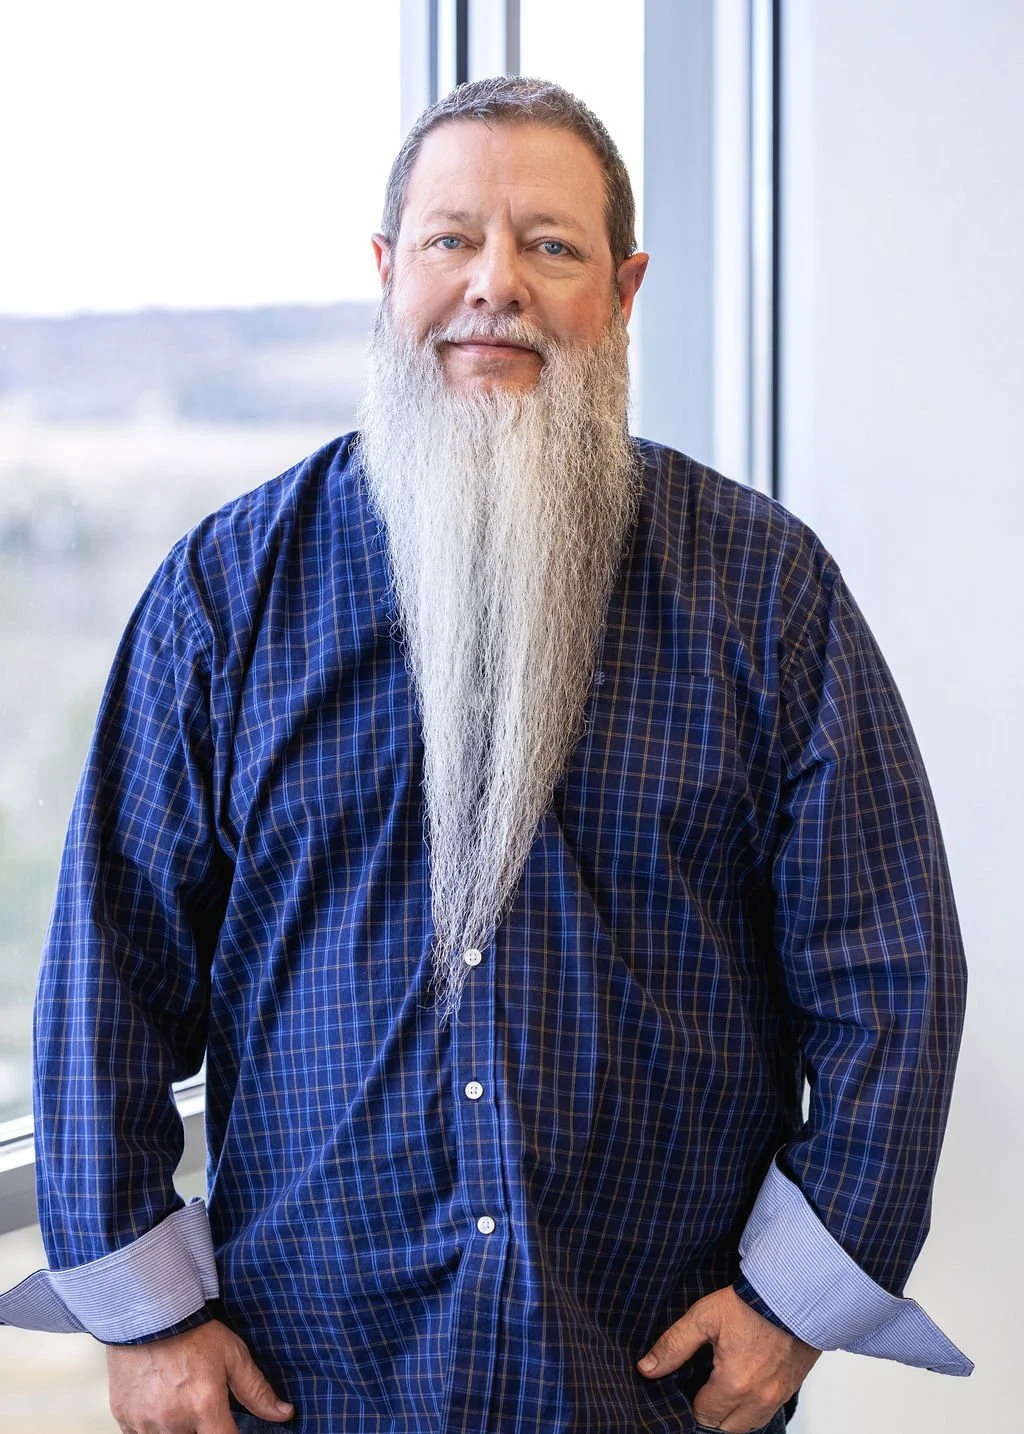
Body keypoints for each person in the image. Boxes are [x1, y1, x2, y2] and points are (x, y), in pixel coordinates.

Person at [0, 77, 970, 1434]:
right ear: (389, 272)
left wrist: (798, 1300)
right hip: (308, 1383)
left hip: (649, 1385)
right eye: (453, 240)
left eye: (551, 246)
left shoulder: (765, 592)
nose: (494, 285)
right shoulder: (226, 594)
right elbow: (110, 963)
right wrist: (151, 1316)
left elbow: (891, 975)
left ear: (624, 290)